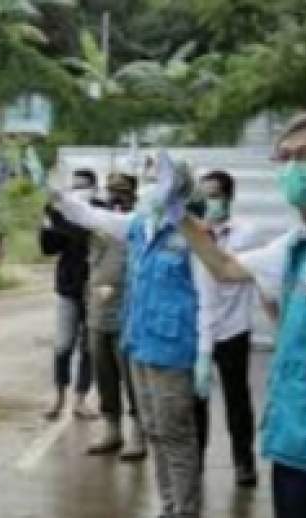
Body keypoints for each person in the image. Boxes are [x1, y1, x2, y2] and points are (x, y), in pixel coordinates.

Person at [171, 112, 306, 518]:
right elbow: (226, 267)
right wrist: (178, 213)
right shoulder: (301, 239)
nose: (291, 168)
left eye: (304, 156)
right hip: (297, 432)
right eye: (284, 157)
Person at [52, 154, 213, 518]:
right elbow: (92, 217)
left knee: (176, 435)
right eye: (147, 179)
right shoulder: (140, 226)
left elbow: (208, 300)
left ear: (175, 188)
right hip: (139, 343)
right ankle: (169, 506)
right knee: (154, 430)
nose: (146, 188)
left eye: (155, 180)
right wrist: (58, 197)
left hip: (173, 350)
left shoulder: (192, 235)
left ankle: (186, 510)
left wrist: (205, 354)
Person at [192, 170, 262, 487]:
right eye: (203, 196)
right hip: (198, 329)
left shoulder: (247, 233)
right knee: (196, 400)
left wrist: (206, 236)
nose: (209, 202)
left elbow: (226, 266)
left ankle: (244, 461)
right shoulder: (190, 233)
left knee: (237, 399)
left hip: (233, 328)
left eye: (215, 195)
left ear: (229, 197)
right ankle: (195, 461)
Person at [83, 172, 147, 461]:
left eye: (122, 191)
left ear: (134, 194)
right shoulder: (98, 224)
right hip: (98, 311)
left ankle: (139, 431)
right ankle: (112, 427)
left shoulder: (139, 225)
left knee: (131, 376)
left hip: (129, 312)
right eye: (111, 191)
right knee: (104, 373)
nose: (116, 197)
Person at [39, 169, 95, 420]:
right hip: (68, 288)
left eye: (84, 186)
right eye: (76, 186)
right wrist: (47, 224)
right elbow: (49, 248)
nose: (79, 190)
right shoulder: (62, 213)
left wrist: (60, 218)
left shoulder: (99, 213)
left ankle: (81, 399)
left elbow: (83, 235)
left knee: (89, 347)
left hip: (95, 290)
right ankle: (58, 398)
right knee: (63, 344)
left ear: (93, 188)